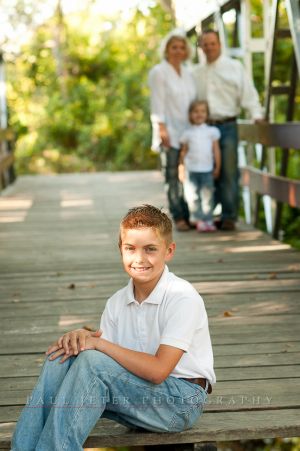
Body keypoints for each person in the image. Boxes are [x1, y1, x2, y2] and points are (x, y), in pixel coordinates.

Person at [12, 204, 215, 451]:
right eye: (131, 249)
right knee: (62, 356)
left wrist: (97, 343)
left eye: (150, 249)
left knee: (92, 363)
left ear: (169, 251)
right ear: (121, 249)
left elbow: (159, 371)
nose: (139, 258)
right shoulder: (117, 302)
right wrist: (81, 340)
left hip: (181, 402)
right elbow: (103, 361)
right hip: (136, 394)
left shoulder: (182, 296)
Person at [193, 30, 264, 231]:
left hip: (227, 126)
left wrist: (256, 114)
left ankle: (229, 217)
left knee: (229, 172)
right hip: (204, 128)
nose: (209, 47)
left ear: (220, 44)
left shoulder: (234, 67)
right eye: (205, 44)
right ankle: (208, 215)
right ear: (201, 47)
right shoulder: (196, 72)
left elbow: (248, 94)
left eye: (212, 43)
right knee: (206, 171)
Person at [148, 29, 197, 232]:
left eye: (181, 47)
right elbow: (157, 103)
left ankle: (188, 214)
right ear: (166, 50)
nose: (178, 51)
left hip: (188, 132)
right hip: (168, 130)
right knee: (171, 177)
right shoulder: (159, 72)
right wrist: (161, 128)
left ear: (186, 51)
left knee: (186, 175)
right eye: (174, 47)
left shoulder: (188, 72)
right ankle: (178, 217)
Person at [179, 100, 221, 232]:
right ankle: (198, 220)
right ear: (190, 114)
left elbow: (216, 151)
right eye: (196, 111)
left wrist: (217, 167)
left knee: (208, 197)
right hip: (191, 171)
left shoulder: (212, 131)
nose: (199, 114)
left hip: (207, 170)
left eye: (203, 111)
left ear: (207, 114)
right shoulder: (187, 133)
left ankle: (208, 220)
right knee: (193, 197)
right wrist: (181, 168)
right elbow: (183, 152)